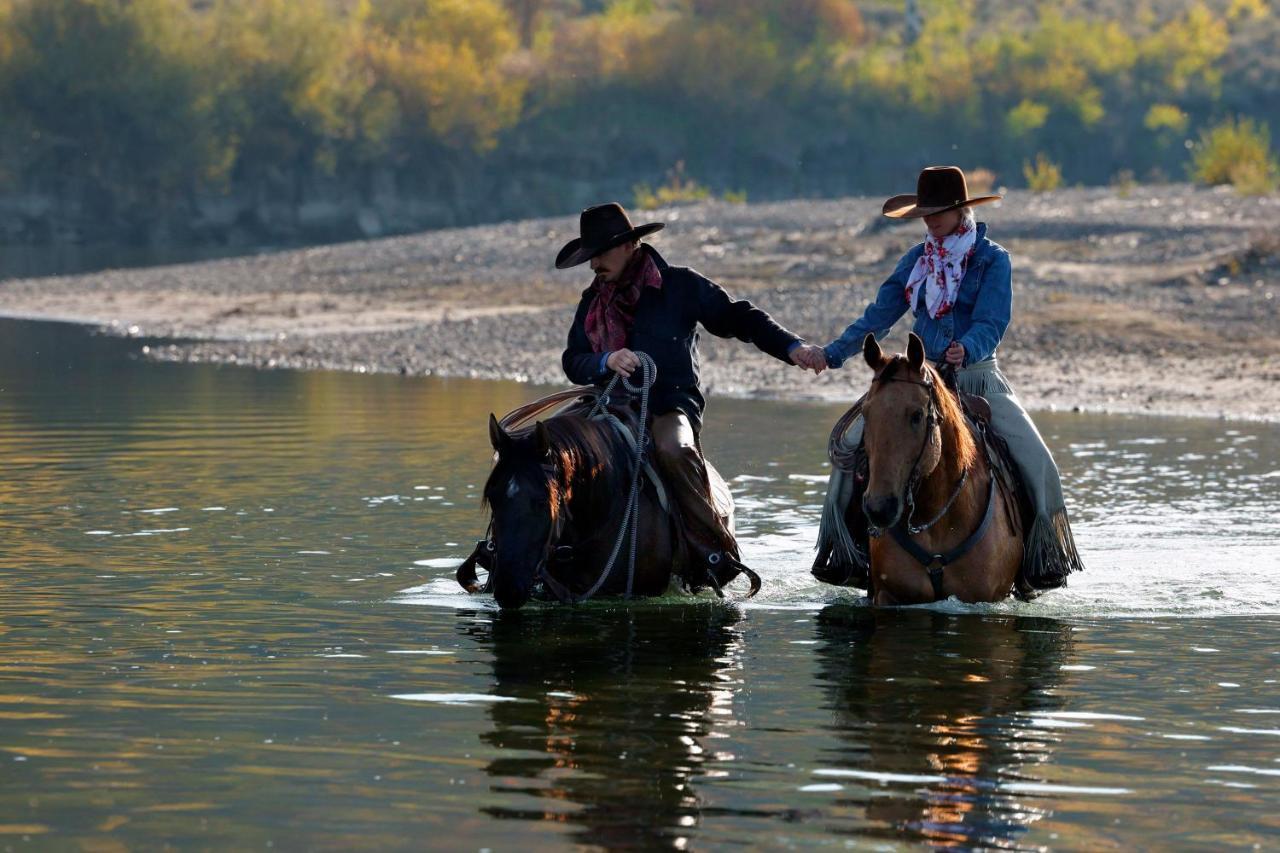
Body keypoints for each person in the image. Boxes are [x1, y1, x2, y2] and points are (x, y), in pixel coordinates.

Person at [811, 166, 1083, 592]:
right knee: (849, 448)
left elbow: (994, 320)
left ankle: (1042, 560)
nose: (931, 220)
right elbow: (878, 316)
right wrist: (832, 353)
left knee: (1039, 462)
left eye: (940, 211)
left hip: (977, 379)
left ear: (961, 210)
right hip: (920, 378)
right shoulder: (916, 261)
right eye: (925, 212)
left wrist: (968, 347)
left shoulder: (994, 260)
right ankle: (843, 553)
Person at [558, 202, 823, 589]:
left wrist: (791, 348)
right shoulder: (592, 300)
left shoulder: (679, 285)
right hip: (606, 406)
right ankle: (523, 554)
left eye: (602, 252)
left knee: (674, 451)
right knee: (546, 447)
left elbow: (739, 317)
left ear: (631, 245)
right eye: (591, 255)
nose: (595, 263)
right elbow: (573, 359)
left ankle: (714, 552)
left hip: (669, 404)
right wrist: (605, 360)